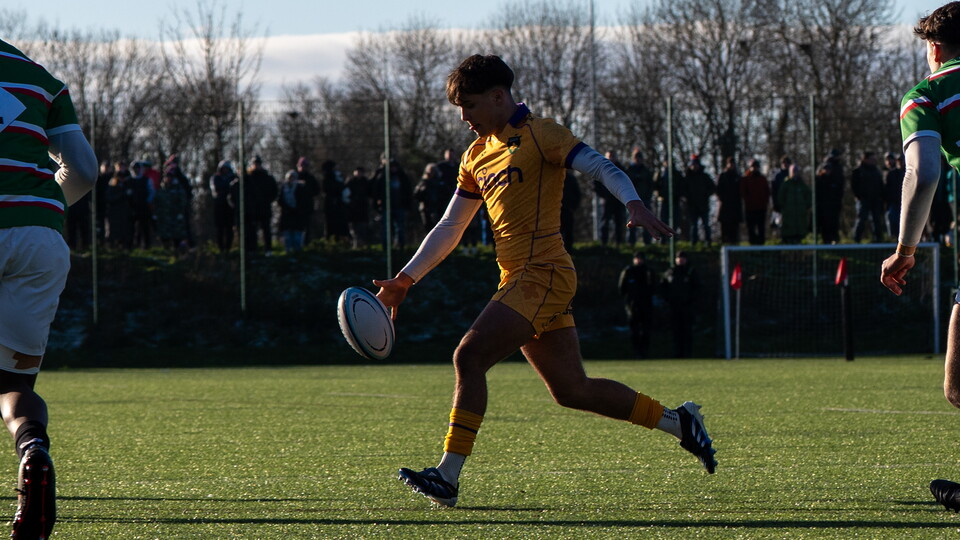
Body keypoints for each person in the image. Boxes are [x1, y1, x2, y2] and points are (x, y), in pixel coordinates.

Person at [374, 54, 716, 508]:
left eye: (471, 105)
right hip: (519, 278)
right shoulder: (475, 156)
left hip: (544, 274)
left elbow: (603, 168)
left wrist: (632, 202)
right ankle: (680, 423)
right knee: (572, 390)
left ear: (499, 97)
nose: (464, 117)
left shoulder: (541, 133)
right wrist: (405, 279)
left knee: (469, 355)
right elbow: (450, 226)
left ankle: (448, 476)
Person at [0, 37, 98, 539]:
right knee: (14, 386)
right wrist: (43, 208)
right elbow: (84, 171)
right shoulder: (38, 76)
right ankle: (33, 449)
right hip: (40, 238)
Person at [878, 1, 960, 513]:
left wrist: (905, 249)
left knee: (958, 383)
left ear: (933, 47)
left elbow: (922, 173)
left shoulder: (926, 94)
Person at [661, 251, 700, 359]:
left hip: (687, 307)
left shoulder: (691, 272)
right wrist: (668, 301)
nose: (680, 259)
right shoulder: (670, 272)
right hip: (673, 307)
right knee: (675, 331)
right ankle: (677, 353)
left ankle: (688, 353)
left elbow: (697, 289)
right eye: (678, 257)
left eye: (682, 257)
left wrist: (691, 301)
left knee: (687, 331)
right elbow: (663, 288)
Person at [236, 155, 278, 255]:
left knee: (266, 230)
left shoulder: (267, 178)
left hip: (265, 208)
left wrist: (268, 200)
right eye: (255, 164)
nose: (256, 166)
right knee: (252, 231)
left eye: (258, 164)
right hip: (253, 209)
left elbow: (274, 192)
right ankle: (253, 249)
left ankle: (268, 249)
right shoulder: (249, 178)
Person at [618, 252, 657, 358]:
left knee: (646, 330)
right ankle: (636, 352)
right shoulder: (628, 271)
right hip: (632, 305)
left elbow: (654, 287)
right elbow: (622, 288)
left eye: (640, 258)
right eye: (637, 258)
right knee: (634, 330)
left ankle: (645, 352)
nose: (638, 260)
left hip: (646, 305)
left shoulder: (648, 271)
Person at [851, 151, 886, 242]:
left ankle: (878, 240)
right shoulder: (858, 171)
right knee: (861, 220)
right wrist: (859, 196)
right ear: (865, 159)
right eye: (872, 159)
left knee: (876, 221)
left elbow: (880, 185)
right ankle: (856, 239)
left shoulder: (876, 171)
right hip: (863, 200)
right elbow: (854, 186)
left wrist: (881, 197)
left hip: (875, 200)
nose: (874, 161)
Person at [153, 170, 190, 250]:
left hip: (175, 216)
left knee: (177, 235)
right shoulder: (161, 190)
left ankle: (177, 251)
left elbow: (183, 201)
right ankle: (166, 250)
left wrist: (180, 212)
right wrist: (156, 214)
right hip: (164, 217)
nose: (169, 179)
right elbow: (156, 202)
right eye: (167, 177)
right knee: (164, 236)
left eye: (170, 177)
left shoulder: (178, 189)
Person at [625, 148, 655, 245]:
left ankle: (647, 242)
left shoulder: (646, 171)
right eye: (636, 157)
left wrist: (648, 197)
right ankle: (631, 242)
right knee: (631, 222)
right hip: (631, 201)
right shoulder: (629, 171)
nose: (638, 160)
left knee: (646, 222)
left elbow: (651, 185)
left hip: (644, 200)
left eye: (639, 157)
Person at [684, 155, 715, 245]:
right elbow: (684, 190)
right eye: (693, 165)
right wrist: (688, 198)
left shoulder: (705, 177)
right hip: (692, 205)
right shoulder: (688, 178)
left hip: (703, 204)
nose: (695, 167)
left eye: (696, 164)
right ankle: (693, 242)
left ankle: (708, 241)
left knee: (706, 224)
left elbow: (712, 188)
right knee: (694, 225)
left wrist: (706, 195)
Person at [777, 164, 812, 244]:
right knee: (789, 226)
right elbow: (781, 196)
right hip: (789, 212)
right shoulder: (786, 184)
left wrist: (805, 205)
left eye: (796, 171)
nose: (795, 173)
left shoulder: (801, 184)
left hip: (800, 212)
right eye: (793, 171)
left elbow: (808, 195)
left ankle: (799, 238)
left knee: (800, 226)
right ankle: (788, 239)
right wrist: (784, 207)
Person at [277, 170, 311, 253]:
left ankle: (297, 249)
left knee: (297, 233)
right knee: (287, 234)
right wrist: (287, 208)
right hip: (286, 214)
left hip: (297, 214)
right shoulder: (283, 188)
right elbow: (280, 200)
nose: (291, 179)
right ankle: (288, 249)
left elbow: (303, 200)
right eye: (289, 177)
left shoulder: (300, 187)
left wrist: (297, 209)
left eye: (293, 177)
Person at [816, 149, 845, 244]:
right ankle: (826, 239)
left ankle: (834, 238)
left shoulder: (838, 169)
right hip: (824, 203)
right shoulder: (821, 178)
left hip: (834, 201)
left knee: (834, 221)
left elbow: (840, 185)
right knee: (825, 222)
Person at [597, 151, 626, 245]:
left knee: (619, 222)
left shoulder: (621, 169)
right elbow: (595, 184)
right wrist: (603, 196)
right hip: (606, 201)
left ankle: (619, 243)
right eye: (609, 157)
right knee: (604, 223)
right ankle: (603, 243)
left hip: (618, 200)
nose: (611, 159)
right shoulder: (601, 169)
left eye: (612, 157)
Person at [739, 159, 770, 245]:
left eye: (756, 167)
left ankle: (761, 244)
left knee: (761, 228)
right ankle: (752, 244)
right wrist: (748, 201)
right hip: (750, 208)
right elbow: (743, 192)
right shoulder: (745, 179)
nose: (755, 168)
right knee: (751, 228)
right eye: (753, 167)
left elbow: (767, 192)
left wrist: (765, 202)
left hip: (761, 208)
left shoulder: (762, 179)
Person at [209, 160, 237, 252]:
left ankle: (228, 248)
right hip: (219, 206)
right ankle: (220, 248)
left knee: (229, 229)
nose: (225, 170)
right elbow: (216, 189)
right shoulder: (216, 178)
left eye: (226, 168)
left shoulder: (233, 178)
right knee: (220, 229)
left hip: (230, 207)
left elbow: (234, 189)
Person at [321, 160, 350, 242]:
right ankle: (331, 240)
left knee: (340, 225)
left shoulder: (338, 177)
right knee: (331, 225)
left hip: (340, 205)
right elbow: (330, 189)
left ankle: (340, 239)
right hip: (332, 205)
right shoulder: (328, 178)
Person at [344, 166, 372, 249]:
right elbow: (345, 194)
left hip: (362, 208)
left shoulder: (365, 182)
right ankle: (355, 244)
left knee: (362, 228)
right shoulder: (350, 182)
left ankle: (362, 244)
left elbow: (370, 193)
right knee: (353, 228)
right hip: (352, 209)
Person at [413, 163, 446, 232]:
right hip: (425, 208)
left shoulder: (439, 183)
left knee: (437, 227)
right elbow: (416, 195)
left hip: (437, 207)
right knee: (427, 227)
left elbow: (444, 194)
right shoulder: (423, 182)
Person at [716, 157, 742, 244]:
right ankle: (724, 243)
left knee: (734, 229)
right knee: (725, 228)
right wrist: (723, 199)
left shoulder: (737, 176)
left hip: (735, 207)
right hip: (725, 207)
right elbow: (718, 190)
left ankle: (734, 244)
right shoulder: (722, 176)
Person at [295, 157, 321, 243]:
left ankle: (306, 243)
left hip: (307, 206)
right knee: (296, 226)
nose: (303, 168)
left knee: (307, 227)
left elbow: (317, 191)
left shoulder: (311, 178)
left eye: (305, 166)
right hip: (295, 207)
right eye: (301, 166)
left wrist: (307, 191)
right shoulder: (294, 177)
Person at [884, 152, 905, 239]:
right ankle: (892, 238)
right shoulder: (891, 173)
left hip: (905, 202)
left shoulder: (908, 173)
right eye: (898, 160)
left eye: (901, 160)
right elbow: (886, 189)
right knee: (892, 219)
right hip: (893, 202)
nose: (900, 162)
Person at [560, 170, 581, 250]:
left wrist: (573, 207)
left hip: (567, 209)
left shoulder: (571, 179)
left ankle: (569, 250)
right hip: (558, 210)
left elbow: (577, 194)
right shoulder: (555, 179)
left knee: (568, 232)